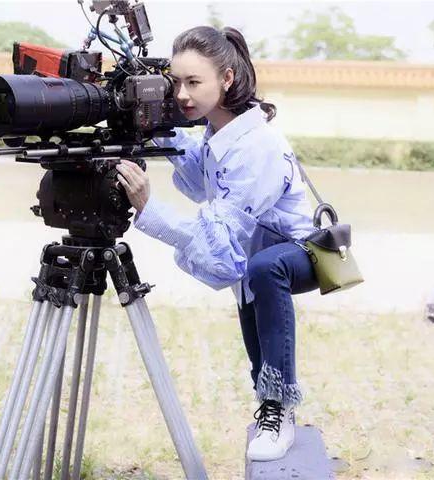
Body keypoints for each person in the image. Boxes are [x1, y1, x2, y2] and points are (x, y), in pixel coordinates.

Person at [115, 25, 319, 462]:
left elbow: (220, 247)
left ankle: (279, 408)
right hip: (255, 253)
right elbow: (201, 183)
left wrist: (149, 208)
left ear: (227, 78)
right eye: (175, 82)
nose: (181, 94)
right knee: (253, 300)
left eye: (193, 82)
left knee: (261, 269)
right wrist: (157, 129)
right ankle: (269, 404)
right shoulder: (219, 131)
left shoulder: (256, 145)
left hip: (297, 252)